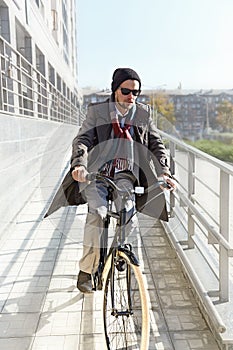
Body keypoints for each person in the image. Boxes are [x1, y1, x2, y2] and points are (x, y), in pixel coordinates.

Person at [70, 67, 176, 293]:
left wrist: (163, 171)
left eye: (136, 92)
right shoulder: (97, 112)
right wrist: (79, 164)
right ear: (115, 90)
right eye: (126, 91)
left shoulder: (143, 114)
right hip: (97, 175)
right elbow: (83, 139)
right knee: (97, 214)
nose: (131, 97)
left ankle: (123, 255)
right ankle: (87, 270)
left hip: (127, 175)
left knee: (128, 213)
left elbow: (156, 144)